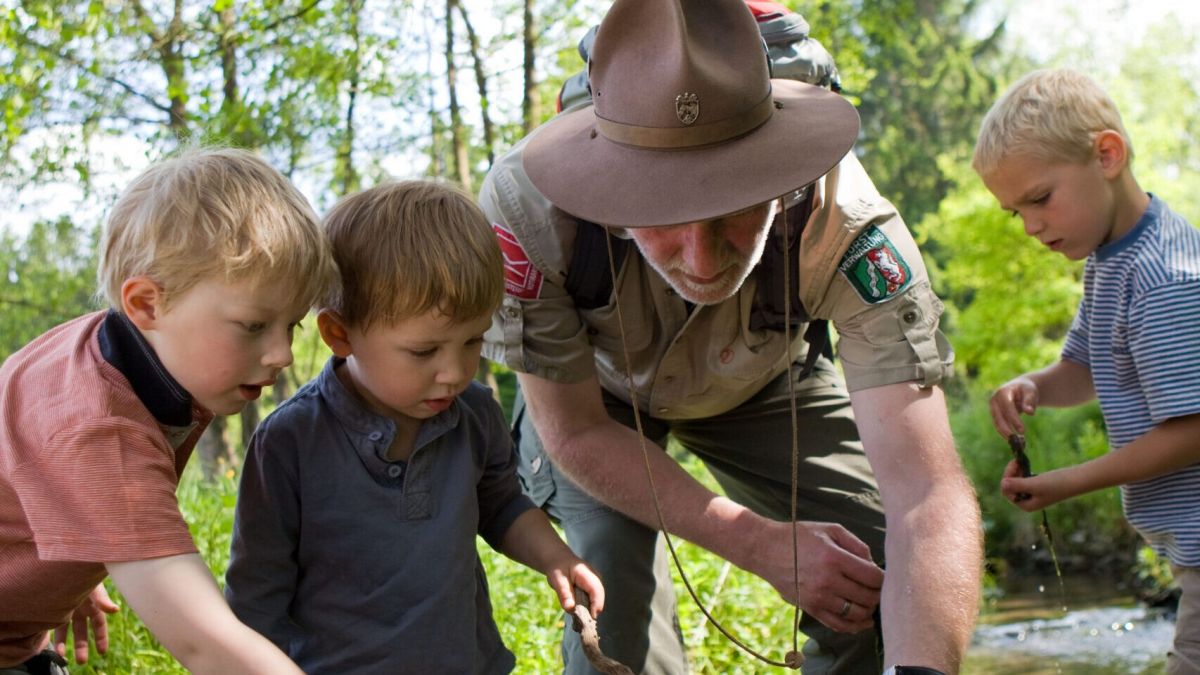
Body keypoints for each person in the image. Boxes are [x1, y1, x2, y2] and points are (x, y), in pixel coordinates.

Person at [477, 0, 983, 673]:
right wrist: (757, 543)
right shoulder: (527, 209)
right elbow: (572, 430)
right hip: (594, 399)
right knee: (616, 601)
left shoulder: (849, 226)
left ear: (783, 177)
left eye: (732, 209)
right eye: (660, 215)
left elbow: (924, 489)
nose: (704, 258)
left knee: (876, 559)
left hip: (764, 379)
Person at [223, 180, 606, 674]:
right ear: (340, 334)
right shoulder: (289, 442)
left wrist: (555, 555)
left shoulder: (473, 415)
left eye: (473, 341)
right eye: (425, 351)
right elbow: (257, 593)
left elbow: (503, 504)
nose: (454, 372)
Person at [0, 147, 337, 674]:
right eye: (253, 325)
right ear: (147, 304)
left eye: (291, 325)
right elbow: (207, 644)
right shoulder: (100, 426)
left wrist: (73, 548)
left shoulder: (118, 354)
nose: (283, 355)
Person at [975, 68, 1200, 675]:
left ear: (1106, 155)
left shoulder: (1164, 276)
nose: (1030, 227)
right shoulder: (1113, 259)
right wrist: (1034, 387)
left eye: (1040, 198)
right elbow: (1089, 367)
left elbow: (1191, 430)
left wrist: (1068, 481)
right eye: (1013, 212)